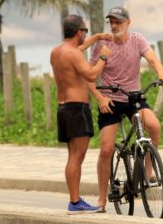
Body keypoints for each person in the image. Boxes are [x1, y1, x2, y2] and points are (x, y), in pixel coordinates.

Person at [88, 6, 163, 212]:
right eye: (112, 22)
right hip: (110, 100)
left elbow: (152, 59)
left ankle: (149, 173)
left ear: (128, 23)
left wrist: (162, 74)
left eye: (119, 21)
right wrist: (99, 98)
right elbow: (88, 76)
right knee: (106, 149)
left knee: (154, 127)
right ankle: (101, 198)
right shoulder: (101, 44)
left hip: (133, 97)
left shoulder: (137, 39)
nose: (115, 25)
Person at [50, 14, 111, 214]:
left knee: (72, 156)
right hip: (77, 109)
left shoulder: (58, 51)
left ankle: (75, 201)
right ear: (78, 32)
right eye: (85, 30)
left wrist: (99, 36)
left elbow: (80, 49)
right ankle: (75, 202)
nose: (86, 33)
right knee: (77, 156)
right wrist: (103, 55)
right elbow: (92, 75)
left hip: (64, 108)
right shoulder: (74, 54)